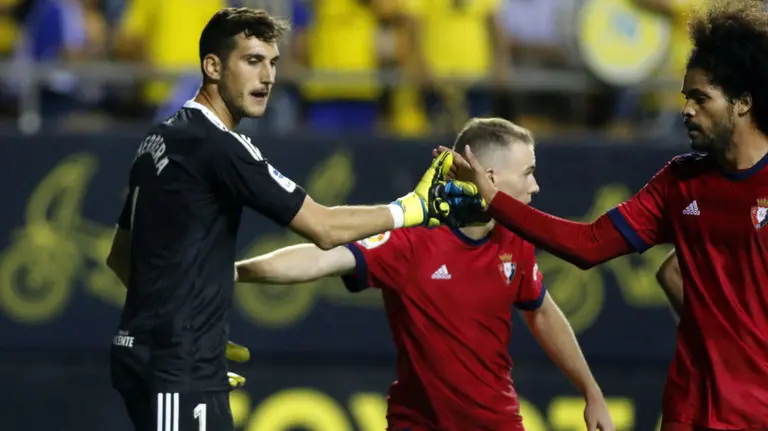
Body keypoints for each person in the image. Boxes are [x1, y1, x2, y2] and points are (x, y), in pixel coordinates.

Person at [104, 8, 477, 431]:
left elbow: (120, 256)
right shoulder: (220, 146)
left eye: (273, 62)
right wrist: (413, 208)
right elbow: (324, 228)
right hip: (175, 364)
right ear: (212, 66)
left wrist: (192, 335)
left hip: (159, 354)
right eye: (252, 61)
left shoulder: (161, 135)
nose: (267, 77)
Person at [443, 1, 768, 430]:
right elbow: (588, 245)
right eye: (685, 97)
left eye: (701, 98)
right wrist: (495, 200)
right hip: (688, 413)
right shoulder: (679, 181)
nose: (686, 109)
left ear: (743, 102)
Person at [235, 118, 615, 431]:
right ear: (491, 177)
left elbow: (543, 312)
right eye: (529, 172)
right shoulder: (412, 239)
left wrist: (592, 392)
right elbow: (318, 259)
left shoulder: (515, 238)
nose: (536, 186)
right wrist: (234, 272)